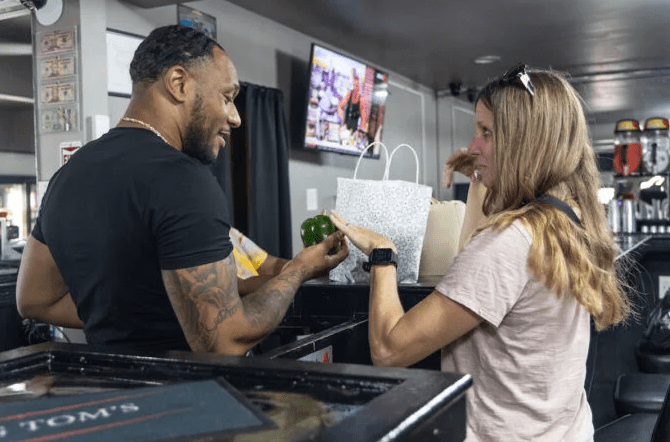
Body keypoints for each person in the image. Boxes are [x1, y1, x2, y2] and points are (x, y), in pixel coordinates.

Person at [329, 65, 631, 441]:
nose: (473, 146)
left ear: (526, 144)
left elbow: (390, 349)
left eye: (486, 133)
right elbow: (472, 263)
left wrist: (382, 253)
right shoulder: (568, 222)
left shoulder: (511, 242)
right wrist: (480, 177)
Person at [16, 25, 348, 356]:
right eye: (227, 98)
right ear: (179, 84)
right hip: (185, 393)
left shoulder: (68, 175)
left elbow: (34, 301)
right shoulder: (184, 179)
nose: (235, 118)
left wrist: (140, 318)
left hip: (110, 390)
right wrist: (300, 270)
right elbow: (225, 342)